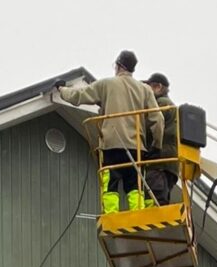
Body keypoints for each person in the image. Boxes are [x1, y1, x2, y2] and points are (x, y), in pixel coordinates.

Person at [56, 50, 163, 214]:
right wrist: (156, 145)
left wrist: (61, 89)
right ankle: (137, 216)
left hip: (111, 144)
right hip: (136, 148)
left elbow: (78, 96)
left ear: (119, 66)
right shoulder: (145, 90)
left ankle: (111, 216)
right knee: (135, 185)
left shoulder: (106, 84)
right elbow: (158, 119)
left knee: (111, 184)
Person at [142, 72, 178, 207]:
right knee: (160, 196)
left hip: (160, 160)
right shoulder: (169, 105)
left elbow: (150, 125)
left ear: (158, 87)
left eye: (149, 87)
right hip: (168, 163)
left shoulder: (161, 104)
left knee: (155, 196)